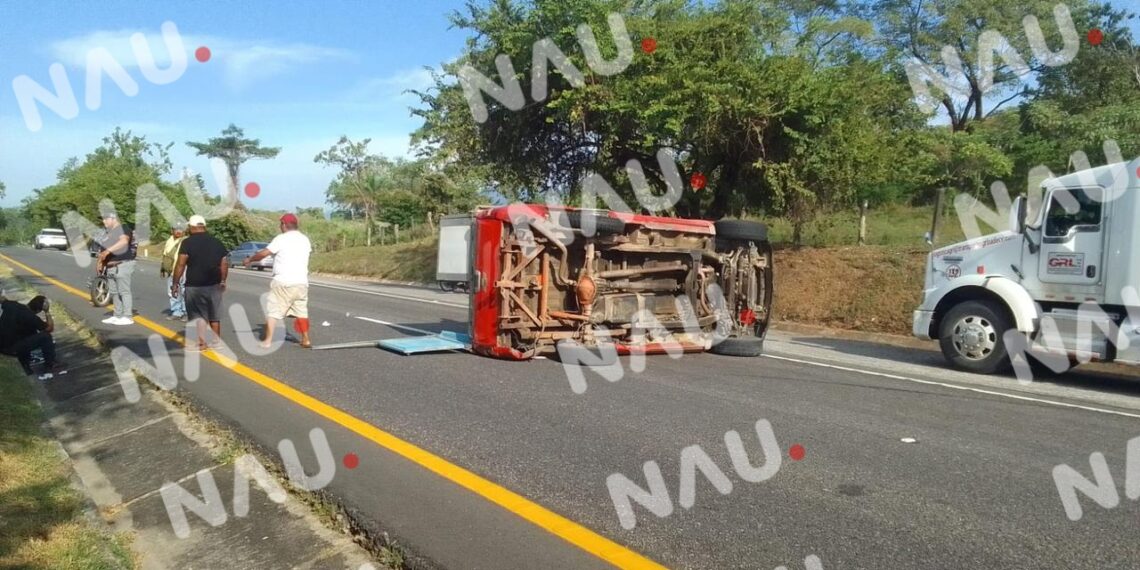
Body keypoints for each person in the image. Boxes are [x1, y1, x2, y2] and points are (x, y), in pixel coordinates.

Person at [244, 213, 313, 348]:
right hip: (301, 282)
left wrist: (250, 259)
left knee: (273, 311)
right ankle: (306, 339)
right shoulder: (305, 239)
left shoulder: (281, 239)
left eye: (280, 224)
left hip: (283, 281)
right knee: (301, 312)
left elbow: (264, 253)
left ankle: (267, 341)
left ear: (284, 225)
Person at [171, 215, 229, 351]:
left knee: (198, 315)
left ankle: (202, 343)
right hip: (214, 284)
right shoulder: (217, 242)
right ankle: (216, 342)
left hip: (194, 285)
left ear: (191, 227)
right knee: (214, 314)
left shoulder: (187, 243)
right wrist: (223, 280)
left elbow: (180, 264)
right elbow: (224, 263)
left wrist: (175, 283)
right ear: (204, 226)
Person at [0, 294, 58, 378]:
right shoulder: (31, 317)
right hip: (11, 349)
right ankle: (50, 364)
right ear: (38, 310)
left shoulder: (13, 305)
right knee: (45, 336)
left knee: (30, 333)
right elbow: (49, 328)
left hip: (2, 344)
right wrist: (47, 311)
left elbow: (3, 299)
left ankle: (25, 365)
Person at [96, 211, 138, 325]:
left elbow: (124, 241)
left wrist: (108, 251)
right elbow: (102, 250)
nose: (103, 221)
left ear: (113, 218)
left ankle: (127, 316)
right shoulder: (109, 233)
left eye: (105, 219)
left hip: (122, 264)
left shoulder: (123, 228)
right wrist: (100, 263)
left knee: (123, 291)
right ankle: (117, 315)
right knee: (114, 292)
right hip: (110, 266)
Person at [160, 225, 188, 321]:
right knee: (172, 290)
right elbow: (166, 255)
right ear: (172, 230)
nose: (178, 232)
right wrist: (163, 268)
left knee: (184, 291)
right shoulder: (169, 240)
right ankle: (176, 311)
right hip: (172, 269)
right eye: (176, 229)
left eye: (181, 229)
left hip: (183, 269)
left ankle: (186, 312)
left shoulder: (186, 241)